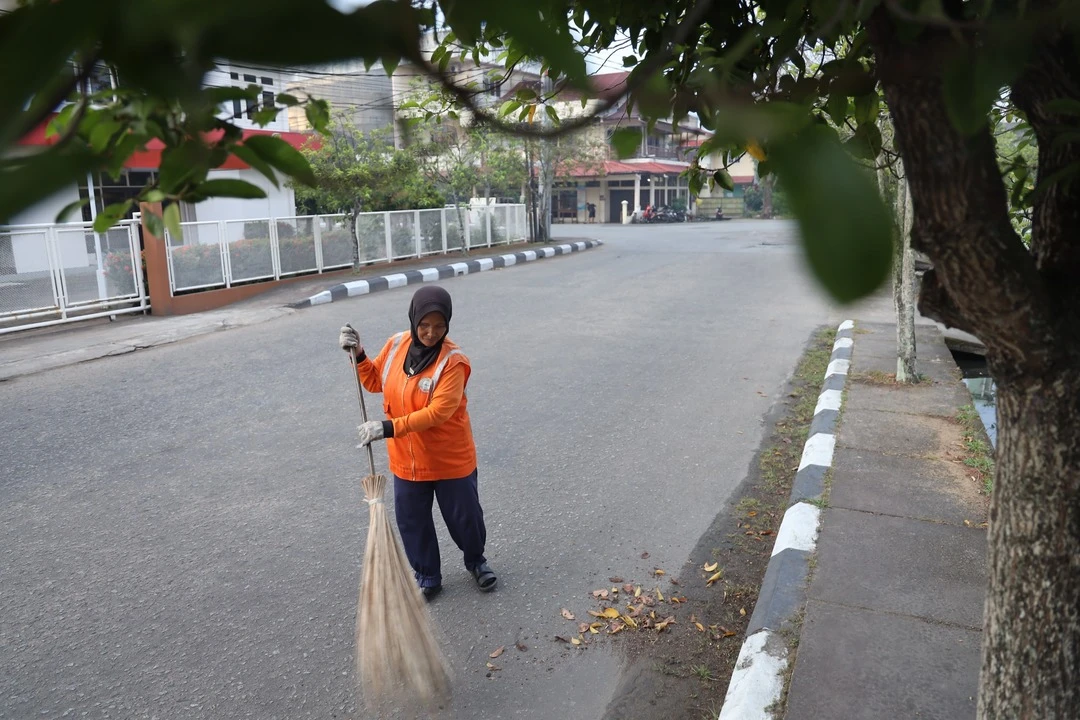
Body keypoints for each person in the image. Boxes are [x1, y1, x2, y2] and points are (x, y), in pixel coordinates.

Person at [338, 286, 496, 599]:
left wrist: (387, 428)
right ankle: (428, 576)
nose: (431, 332)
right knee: (412, 521)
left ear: (448, 324)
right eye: (424, 325)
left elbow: (438, 412)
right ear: (413, 319)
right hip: (407, 460)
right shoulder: (397, 344)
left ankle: (476, 561)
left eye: (439, 326)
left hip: (449, 459)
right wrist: (359, 355)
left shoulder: (454, 362)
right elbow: (375, 380)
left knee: (465, 518)